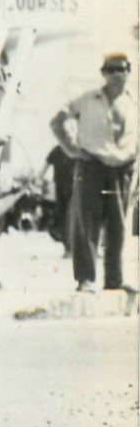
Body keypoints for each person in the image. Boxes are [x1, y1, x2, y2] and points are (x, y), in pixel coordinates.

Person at [49, 54, 137, 292]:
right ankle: (86, 279)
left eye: (122, 69)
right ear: (103, 73)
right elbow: (57, 121)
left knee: (118, 227)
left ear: (129, 71)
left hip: (123, 169)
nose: (117, 73)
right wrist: (72, 149)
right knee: (87, 223)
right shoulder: (87, 100)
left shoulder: (133, 103)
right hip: (92, 166)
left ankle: (115, 280)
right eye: (111, 69)